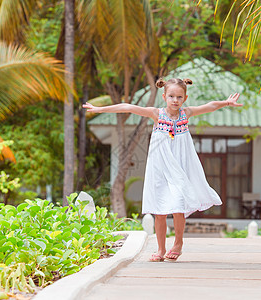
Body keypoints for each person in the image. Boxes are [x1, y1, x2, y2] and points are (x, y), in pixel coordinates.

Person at [83, 78, 242, 262]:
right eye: (172, 96)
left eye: (179, 97)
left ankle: (178, 243)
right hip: (160, 165)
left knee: (178, 205)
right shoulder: (156, 114)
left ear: (185, 98)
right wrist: (100, 109)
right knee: (159, 209)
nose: (175, 100)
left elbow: (210, 105)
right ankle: (160, 249)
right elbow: (128, 107)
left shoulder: (186, 113)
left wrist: (226, 103)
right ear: (164, 96)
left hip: (180, 165)